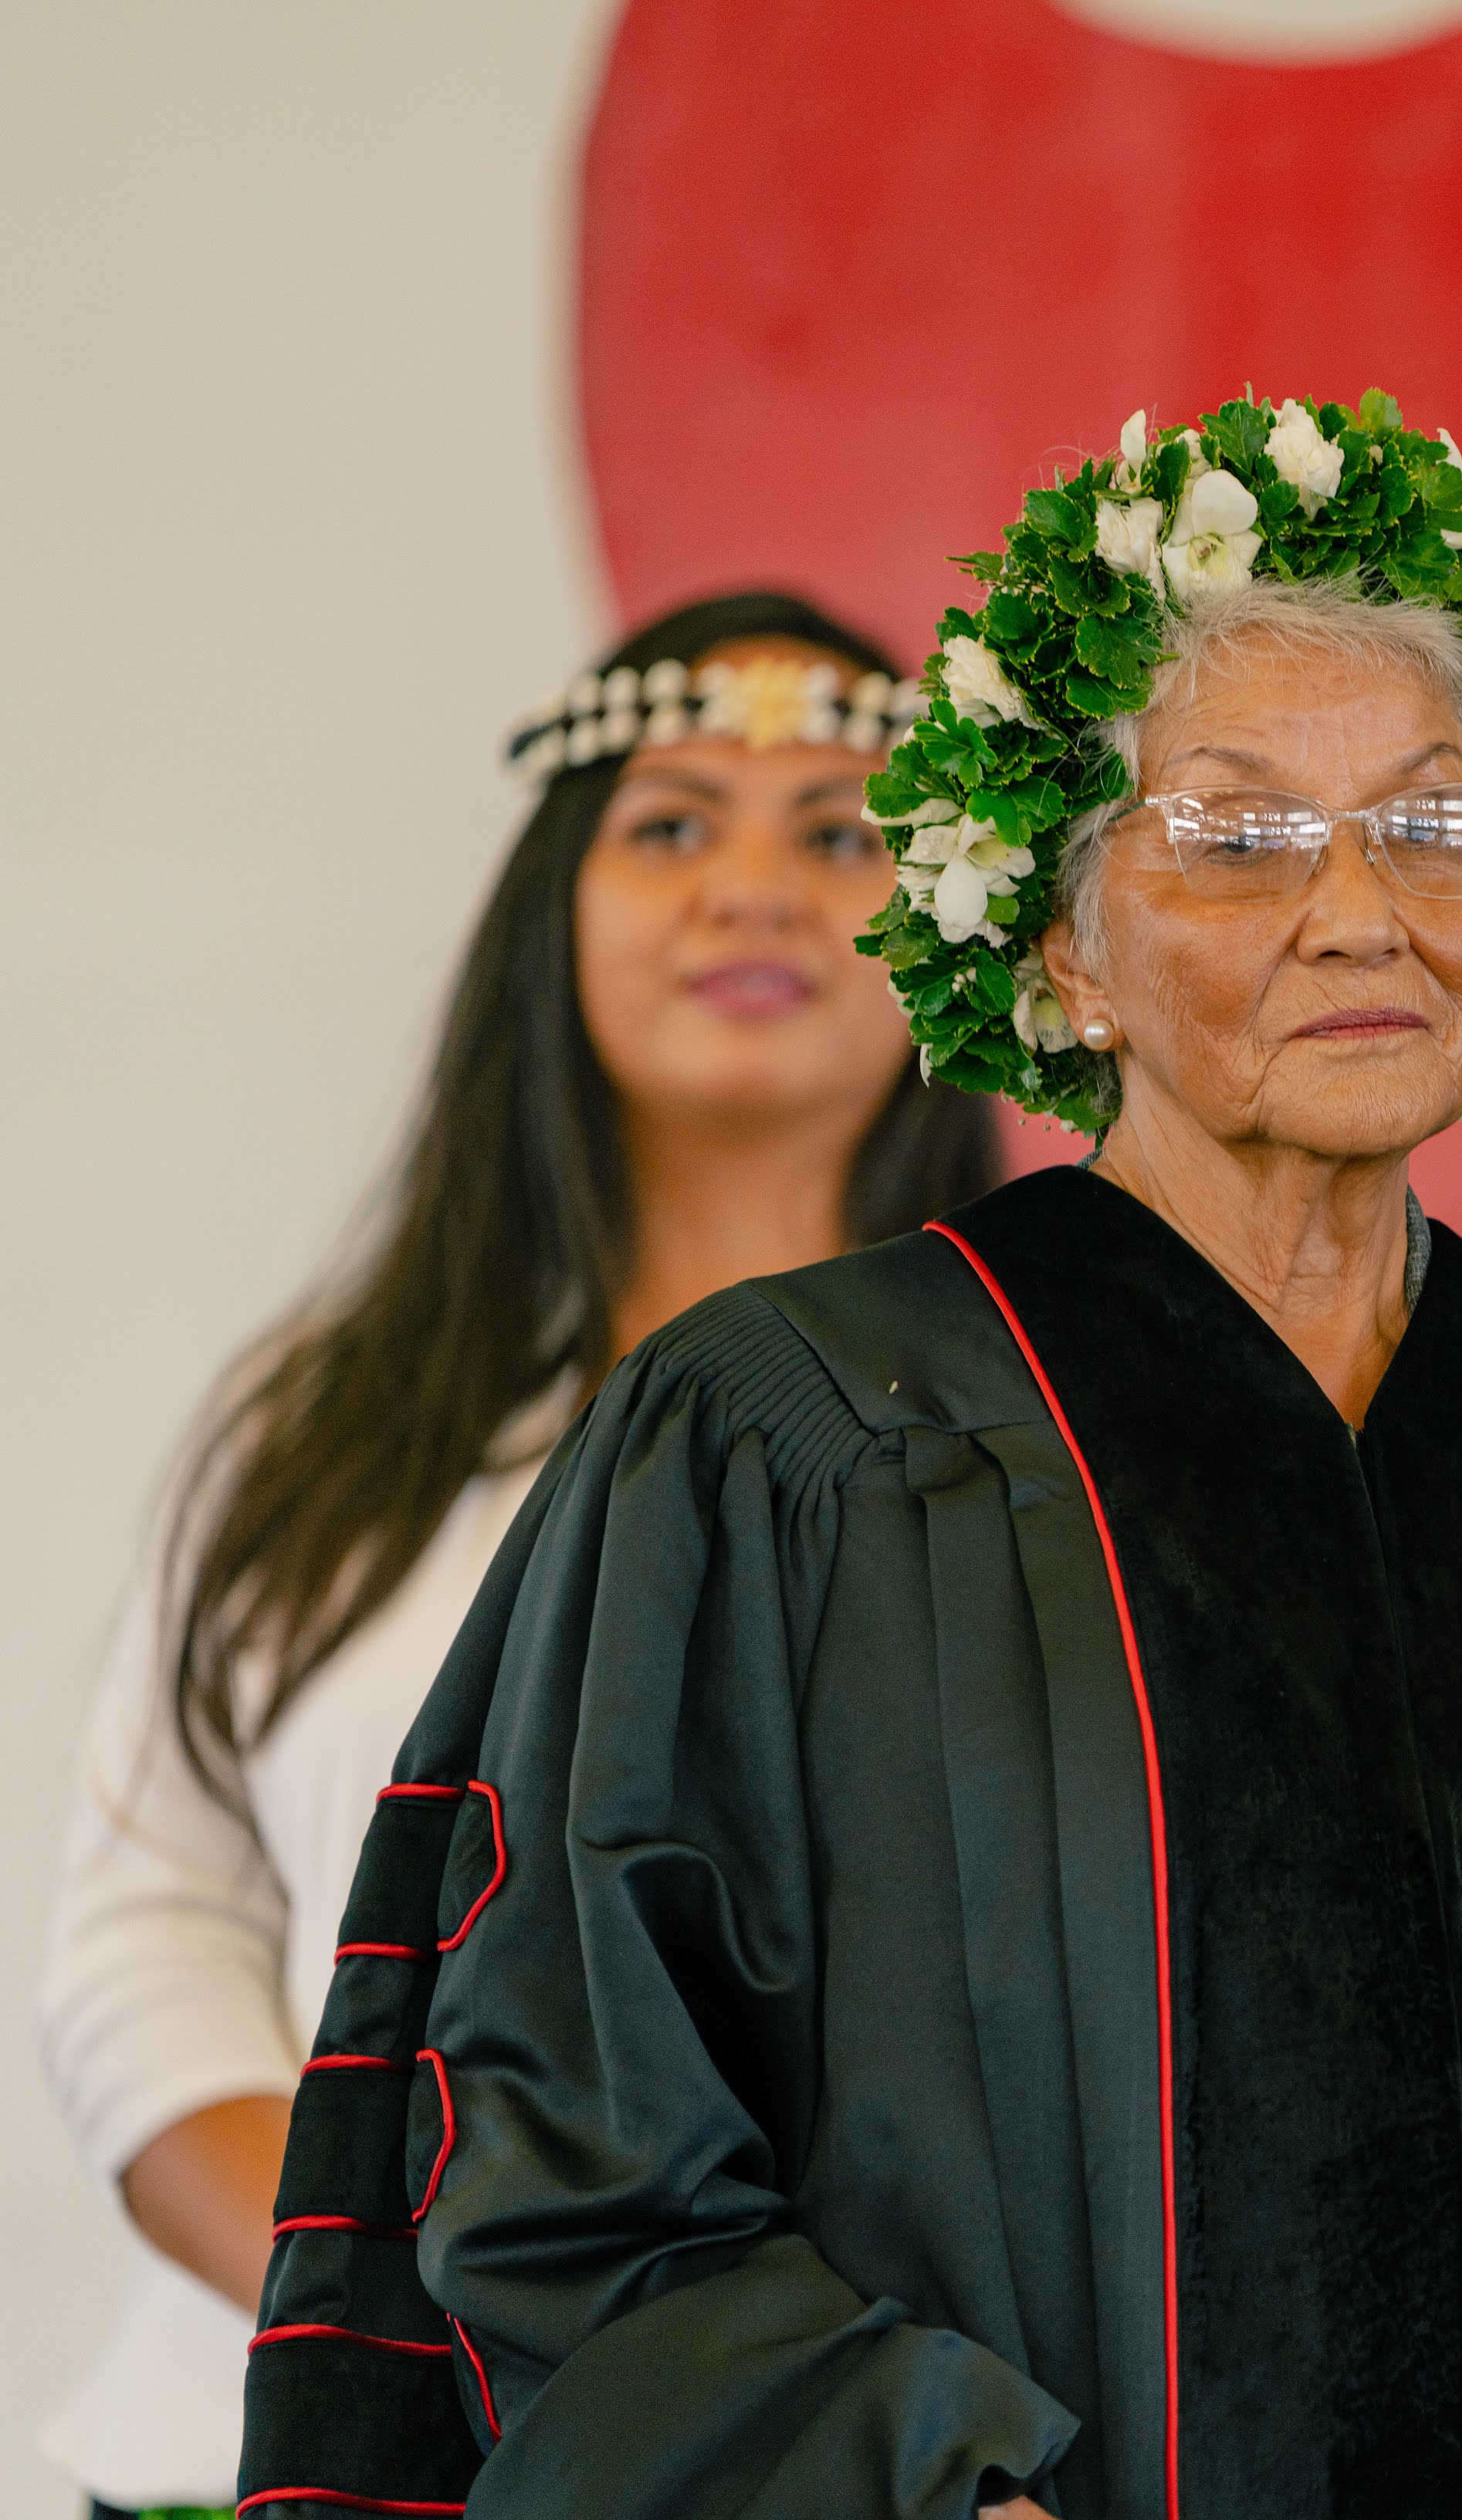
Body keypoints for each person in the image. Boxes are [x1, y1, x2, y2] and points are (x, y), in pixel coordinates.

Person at [228, 396, 1462, 2520]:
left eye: (1432, 824)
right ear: (1057, 949)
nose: (1359, 913)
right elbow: (567, 2148)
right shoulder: (798, 1450)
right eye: (1234, 837)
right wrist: (913, 2488)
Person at [34, 590, 997, 2519]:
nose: (755, 886)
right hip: (269, 2453)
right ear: (548, 911)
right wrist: (395, 2319)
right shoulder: (326, 1425)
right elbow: (151, 1933)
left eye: (840, 830)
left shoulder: (1038, 1454)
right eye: (670, 821)